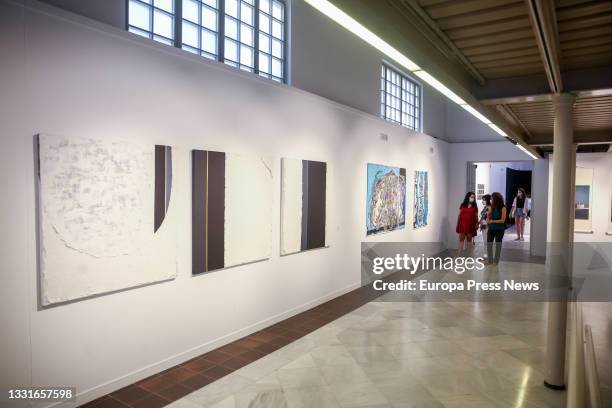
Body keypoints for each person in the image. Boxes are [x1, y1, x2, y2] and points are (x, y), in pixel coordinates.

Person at [456, 192, 479, 256]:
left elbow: (476, 216)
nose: (473, 198)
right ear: (468, 197)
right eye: (471, 197)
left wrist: (477, 224)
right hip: (462, 224)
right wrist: (458, 223)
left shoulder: (475, 206)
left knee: (469, 240)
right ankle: (459, 254)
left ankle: (469, 255)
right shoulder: (463, 205)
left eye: (473, 197)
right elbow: (459, 215)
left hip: (470, 225)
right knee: (461, 239)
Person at [487, 192, 507, 265]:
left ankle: (496, 261)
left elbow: (503, 220)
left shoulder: (503, 208)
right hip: (491, 228)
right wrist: (488, 215)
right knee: (489, 244)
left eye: (492, 198)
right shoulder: (491, 207)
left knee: (498, 245)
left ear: (495, 199)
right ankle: (490, 260)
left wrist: (492, 221)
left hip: (499, 229)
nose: (491, 199)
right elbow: (488, 219)